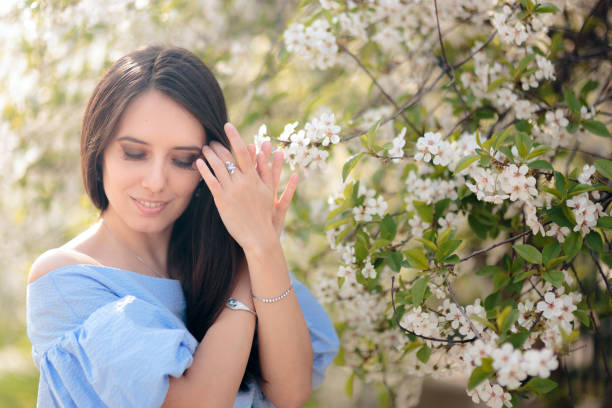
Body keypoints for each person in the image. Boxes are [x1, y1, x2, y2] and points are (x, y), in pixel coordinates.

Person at [25, 44, 339, 407]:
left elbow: (290, 392)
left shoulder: (222, 254)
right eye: (135, 153)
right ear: (99, 151)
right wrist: (248, 262)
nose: (156, 181)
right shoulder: (66, 278)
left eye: (184, 160)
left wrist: (261, 245)